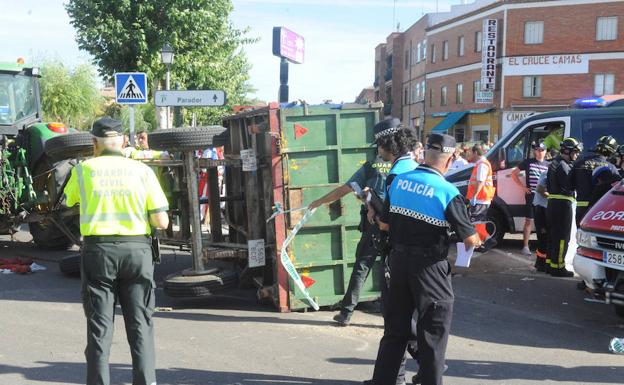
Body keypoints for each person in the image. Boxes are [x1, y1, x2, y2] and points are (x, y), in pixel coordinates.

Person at [367, 133, 480, 385]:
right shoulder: (447, 191)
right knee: (433, 333)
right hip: (429, 268)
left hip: (397, 263)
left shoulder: (399, 181)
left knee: (395, 330)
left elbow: (384, 225)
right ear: (450, 159)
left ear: (425, 154)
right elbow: (470, 240)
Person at [64, 117, 169, 385]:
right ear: (123, 141)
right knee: (140, 324)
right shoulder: (142, 171)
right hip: (137, 252)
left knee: (100, 326)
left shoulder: (83, 170)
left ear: (94, 143)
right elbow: (161, 221)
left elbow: (68, 201)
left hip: (98, 252)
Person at [308, 117, 417, 328]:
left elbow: (348, 188)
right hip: (399, 228)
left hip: (377, 225)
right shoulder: (413, 167)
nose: (378, 149)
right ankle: (391, 317)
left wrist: (320, 201)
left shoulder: (373, 166)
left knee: (363, 267)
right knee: (393, 272)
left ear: (385, 143)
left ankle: (346, 312)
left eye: (379, 144)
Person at [545, 137, 582, 277]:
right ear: (568, 151)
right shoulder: (564, 165)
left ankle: (549, 264)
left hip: (552, 203)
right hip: (562, 205)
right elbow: (569, 185)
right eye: (576, 152)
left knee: (553, 235)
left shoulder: (554, 163)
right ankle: (558, 267)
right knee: (562, 237)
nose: (577, 155)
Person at [569, 135, 620, 225]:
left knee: (581, 235)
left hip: (581, 208)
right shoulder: (611, 168)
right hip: (599, 211)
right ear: (611, 152)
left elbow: (570, 186)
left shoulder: (579, 164)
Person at [511, 140, 549, 255]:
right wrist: (523, 187)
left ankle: (543, 246)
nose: (539, 152)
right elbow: (514, 174)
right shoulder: (528, 162)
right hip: (531, 195)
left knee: (543, 222)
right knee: (529, 221)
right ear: (534, 151)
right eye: (538, 150)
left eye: (542, 150)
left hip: (543, 197)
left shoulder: (549, 165)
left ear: (545, 151)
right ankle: (525, 246)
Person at [466, 144, 497, 251]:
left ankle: (487, 240)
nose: (470, 155)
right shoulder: (482, 164)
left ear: (475, 152)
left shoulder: (482, 165)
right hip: (482, 198)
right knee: (478, 222)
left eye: (471, 152)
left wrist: (474, 196)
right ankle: (481, 243)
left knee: (475, 222)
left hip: (480, 198)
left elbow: (480, 181)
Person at [533, 172, 549, 272]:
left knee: (545, 238)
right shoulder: (548, 173)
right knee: (543, 237)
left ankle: (541, 263)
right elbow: (539, 189)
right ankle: (540, 264)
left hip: (544, 207)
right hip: (541, 208)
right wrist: (553, 197)